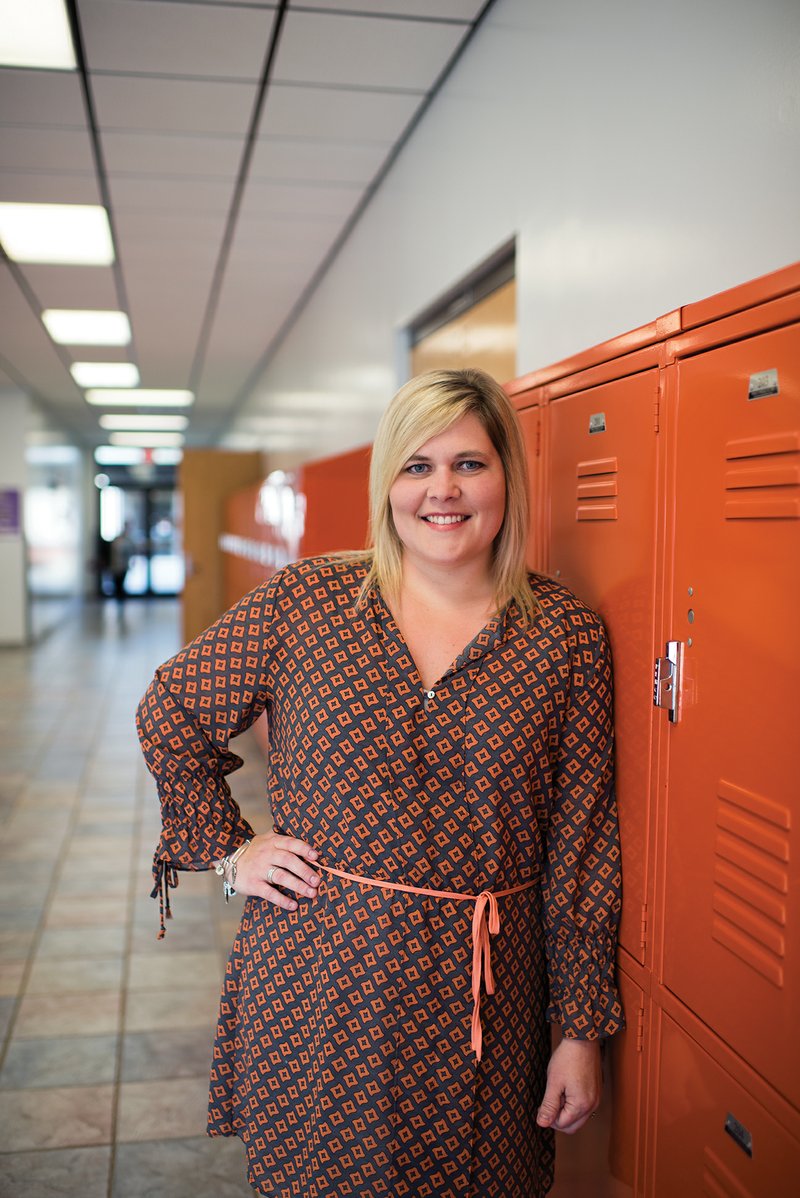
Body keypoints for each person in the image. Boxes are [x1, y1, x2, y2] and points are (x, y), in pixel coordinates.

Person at [136, 368, 624, 1198]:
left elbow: (582, 845)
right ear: (386, 483)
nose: (443, 490)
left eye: (469, 464)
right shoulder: (307, 601)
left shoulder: (564, 637)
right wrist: (230, 855)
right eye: (417, 466)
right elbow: (171, 710)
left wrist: (578, 1028)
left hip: (486, 1000)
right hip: (321, 973)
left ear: (507, 474)